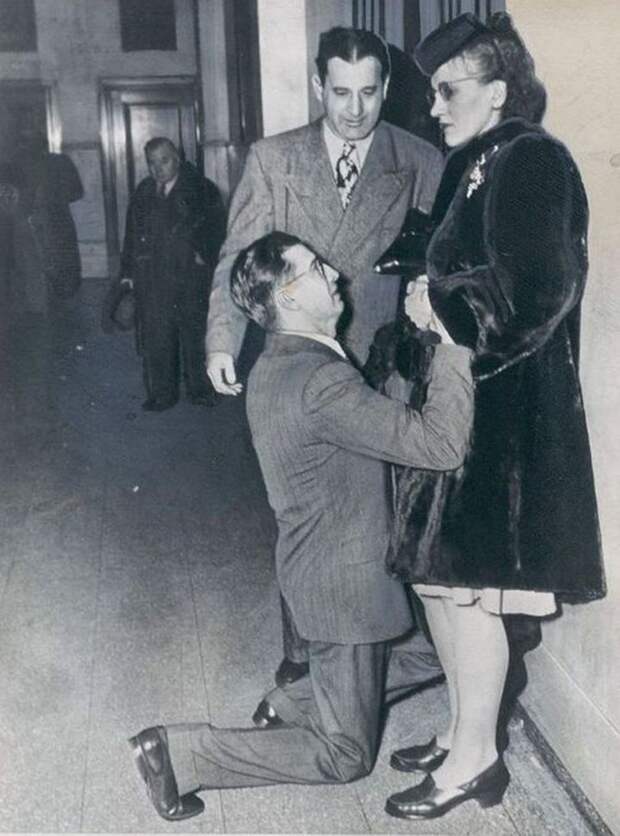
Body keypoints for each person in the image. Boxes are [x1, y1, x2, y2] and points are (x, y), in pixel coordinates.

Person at [127, 231, 473, 822]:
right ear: (286, 298)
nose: (334, 273)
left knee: (445, 653)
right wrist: (452, 343)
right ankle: (181, 754)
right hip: (344, 588)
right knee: (345, 755)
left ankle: (292, 700)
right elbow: (439, 444)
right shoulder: (320, 380)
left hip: (320, 569)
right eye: (315, 269)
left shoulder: (282, 361)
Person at [374, 13, 606, 821]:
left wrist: (438, 302)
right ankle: (462, 732)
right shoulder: (476, 160)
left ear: (498, 91)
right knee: (440, 586)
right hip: (461, 408)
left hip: (501, 425)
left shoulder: (533, 158)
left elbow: (541, 289)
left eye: (448, 90)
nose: (434, 107)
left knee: (467, 591)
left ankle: (476, 762)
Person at [205, 25, 444, 687]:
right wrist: (222, 341)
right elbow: (236, 258)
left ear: (386, 88)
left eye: (369, 93)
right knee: (304, 512)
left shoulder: (420, 159)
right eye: (341, 92)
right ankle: (301, 648)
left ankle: (376, 652)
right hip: (302, 361)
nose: (355, 109)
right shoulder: (274, 158)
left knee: (377, 518)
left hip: (383, 369)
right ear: (320, 86)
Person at [119, 137, 225, 411]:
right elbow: (131, 235)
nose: (158, 169)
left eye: (164, 160)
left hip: (190, 277)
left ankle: (200, 390)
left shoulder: (202, 190)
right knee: (157, 336)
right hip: (153, 278)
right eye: (152, 163)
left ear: (177, 157)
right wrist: (128, 273)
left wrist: (206, 258)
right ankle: (162, 393)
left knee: (195, 335)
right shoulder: (143, 192)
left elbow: (219, 232)